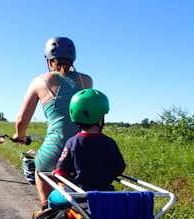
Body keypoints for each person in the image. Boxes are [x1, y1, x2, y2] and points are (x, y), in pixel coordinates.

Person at [13, 37, 93, 209]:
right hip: (84, 149)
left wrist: (19, 136)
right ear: (72, 60)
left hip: (54, 149)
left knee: (40, 168)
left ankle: (45, 209)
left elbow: (21, 120)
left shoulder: (40, 81)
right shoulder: (86, 81)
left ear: (49, 61)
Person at [47, 89, 126, 209]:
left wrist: (56, 173)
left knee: (52, 198)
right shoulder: (110, 143)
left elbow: (62, 172)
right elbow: (119, 170)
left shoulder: (72, 142)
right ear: (99, 118)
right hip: (105, 194)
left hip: (77, 193)